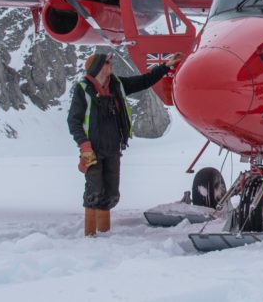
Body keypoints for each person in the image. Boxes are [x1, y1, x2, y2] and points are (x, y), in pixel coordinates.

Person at [68, 50, 182, 236]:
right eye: (106, 63)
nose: (110, 65)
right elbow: (73, 121)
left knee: (112, 194)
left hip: (113, 147)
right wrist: (84, 146)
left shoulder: (117, 85)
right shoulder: (83, 89)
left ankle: (103, 232)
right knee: (94, 191)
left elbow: (144, 81)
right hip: (93, 149)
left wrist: (164, 67)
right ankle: (90, 235)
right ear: (97, 68)